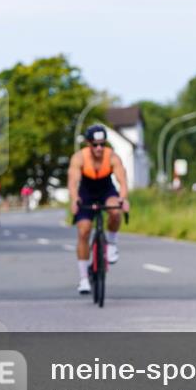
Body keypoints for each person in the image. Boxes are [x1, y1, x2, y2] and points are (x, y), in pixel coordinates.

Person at [68, 124, 129, 295]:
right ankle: (83, 279)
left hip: (106, 190)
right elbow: (73, 182)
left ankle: (112, 243)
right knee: (84, 231)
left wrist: (123, 198)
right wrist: (75, 199)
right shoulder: (79, 158)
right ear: (88, 144)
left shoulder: (112, 157)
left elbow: (122, 181)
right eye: (95, 145)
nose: (99, 148)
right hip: (86, 193)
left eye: (102, 144)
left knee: (115, 210)